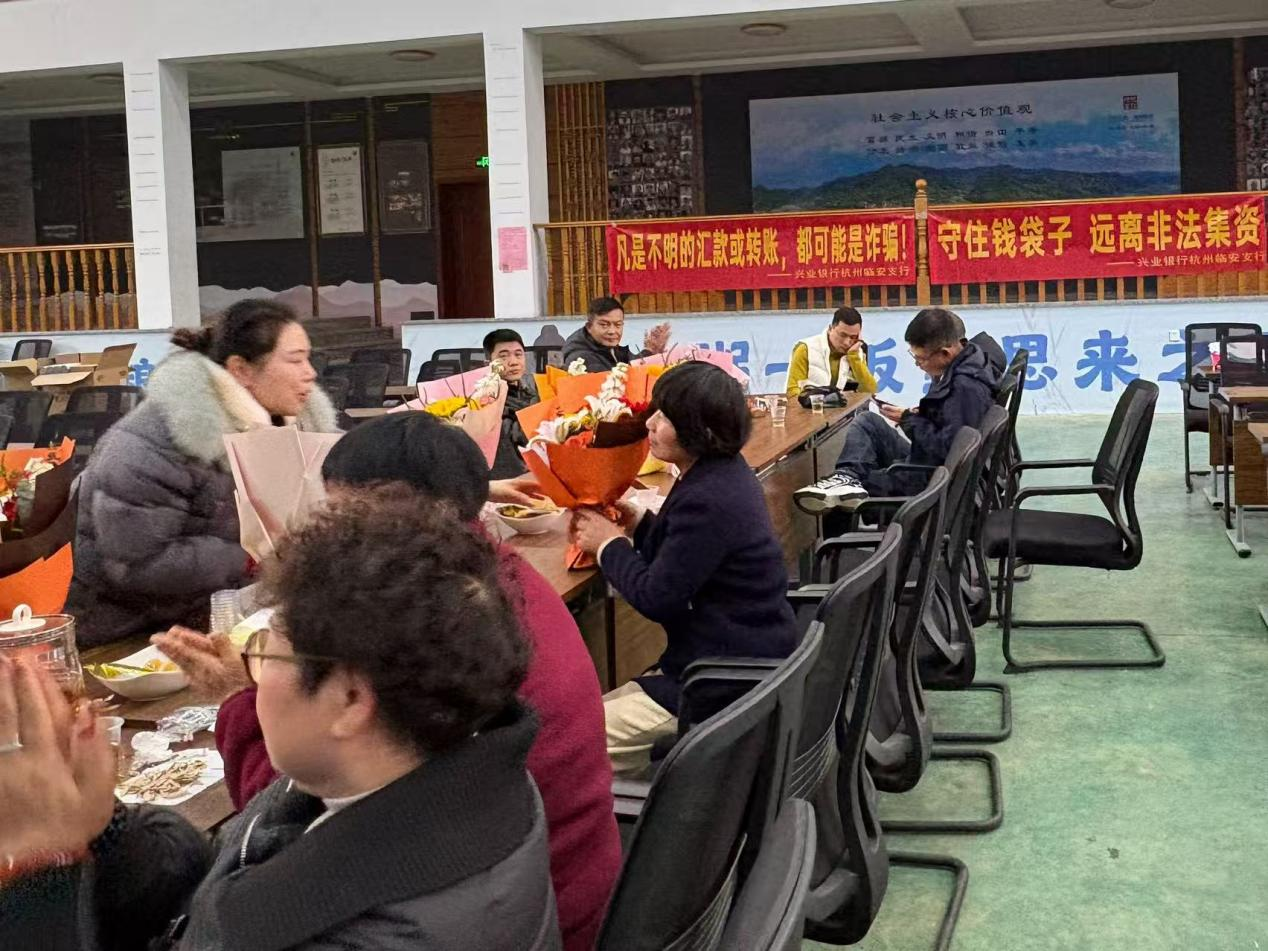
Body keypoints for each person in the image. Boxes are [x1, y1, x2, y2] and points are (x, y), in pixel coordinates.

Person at [1, 494, 561, 951]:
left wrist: (40, 867)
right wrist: (104, 830)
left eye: (265, 650)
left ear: (349, 700)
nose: (250, 674)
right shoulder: (442, 775)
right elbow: (224, 891)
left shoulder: (378, 929)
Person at [156, 412, 620, 951]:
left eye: (346, 516)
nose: (338, 536)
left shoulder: (434, 633)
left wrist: (240, 700)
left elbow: (314, 814)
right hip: (542, 893)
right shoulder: (486, 594)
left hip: (554, 908)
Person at [65, 299, 339, 648]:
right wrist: (251, 557)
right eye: (295, 360)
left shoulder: (288, 430)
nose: (310, 373)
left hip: (215, 616)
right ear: (241, 370)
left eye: (309, 358)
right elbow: (135, 563)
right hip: (129, 635)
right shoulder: (155, 441)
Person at [571, 362, 797, 775]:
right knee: (579, 719)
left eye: (664, 417)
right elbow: (691, 554)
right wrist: (641, 523)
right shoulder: (720, 473)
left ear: (699, 430)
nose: (650, 424)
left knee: (569, 746)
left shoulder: (708, 497)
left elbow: (659, 597)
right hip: (738, 656)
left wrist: (607, 544)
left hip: (719, 680)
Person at [794, 307, 999, 511]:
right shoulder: (964, 365)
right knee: (868, 422)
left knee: (843, 497)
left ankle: (847, 490)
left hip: (931, 480)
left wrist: (910, 420)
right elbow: (949, 425)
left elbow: (948, 450)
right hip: (925, 460)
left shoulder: (965, 388)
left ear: (945, 353)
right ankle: (846, 477)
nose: (918, 364)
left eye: (920, 359)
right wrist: (917, 414)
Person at [484, 328, 540, 480]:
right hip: (511, 477)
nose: (513, 362)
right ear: (488, 363)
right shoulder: (486, 400)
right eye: (503, 356)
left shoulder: (535, 391)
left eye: (518, 354)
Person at [561, 296, 672, 373]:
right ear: (589, 327)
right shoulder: (581, 357)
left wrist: (650, 350)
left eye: (618, 325)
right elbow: (615, 381)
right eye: (604, 325)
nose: (612, 331)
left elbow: (630, 365)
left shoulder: (608, 347)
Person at [784, 305, 878, 396]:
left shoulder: (856, 352)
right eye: (842, 335)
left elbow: (870, 391)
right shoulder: (806, 349)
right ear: (830, 329)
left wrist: (854, 358)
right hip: (812, 405)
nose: (846, 342)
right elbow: (792, 391)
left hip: (844, 406)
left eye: (853, 337)